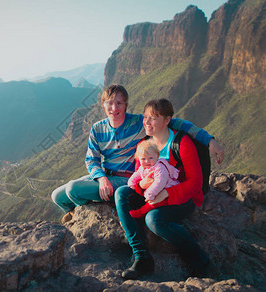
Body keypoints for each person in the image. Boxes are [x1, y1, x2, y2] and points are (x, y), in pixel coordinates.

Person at [51, 84, 224, 224]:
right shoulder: (97, 128)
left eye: (119, 103)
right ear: (103, 104)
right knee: (57, 196)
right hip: (105, 177)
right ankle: (77, 211)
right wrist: (101, 178)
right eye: (110, 103)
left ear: (126, 105)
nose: (114, 108)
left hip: (127, 179)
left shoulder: (138, 123)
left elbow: (176, 122)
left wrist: (210, 140)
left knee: (73, 189)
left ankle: (96, 211)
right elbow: (91, 159)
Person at [115, 98, 215, 280]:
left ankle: (200, 260)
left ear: (167, 120)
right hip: (152, 195)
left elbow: (195, 183)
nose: (146, 122)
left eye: (153, 118)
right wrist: (140, 185)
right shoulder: (143, 145)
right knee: (121, 193)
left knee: (153, 220)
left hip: (183, 197)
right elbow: (138, 175)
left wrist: (167, 193)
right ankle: (142, 258)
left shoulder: (182, 143)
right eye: (145, 117)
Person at [127, 139, 180, 219]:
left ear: (157, 156)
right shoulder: (143, 168)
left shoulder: (159, 167)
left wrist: (149, 193)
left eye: (151, 158)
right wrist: (131, 183)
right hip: (155, 191)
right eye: (143, 159)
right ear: (138, 159)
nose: (147, 161)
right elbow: (136, 175)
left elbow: (160, 182)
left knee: (153, 203)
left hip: (167, 190)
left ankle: (141, 212)